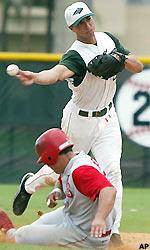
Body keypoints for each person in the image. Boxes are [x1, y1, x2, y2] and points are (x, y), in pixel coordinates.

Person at [12, 1, 143, 246]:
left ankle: (113, 232)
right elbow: (58, 73)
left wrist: (120, 56)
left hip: (108, 116)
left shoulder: (108, 40)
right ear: (72, 28)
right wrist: (36, 77)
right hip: (80, 120)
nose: (87, 25)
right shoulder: (75, 55)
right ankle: (29, 185)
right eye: (80, 23)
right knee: (60, 172)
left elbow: (138, 66)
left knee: (113, 170)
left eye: (88, 19)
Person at [1, 128, 117, 249]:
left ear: (51, 157)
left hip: (85, 232)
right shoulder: (73, 160)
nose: (49, 166)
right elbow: (62, 180)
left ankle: (8, 232)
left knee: (21, 236)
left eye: (47, 162)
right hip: (73, 216)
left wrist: (100, 218)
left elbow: (109, 191)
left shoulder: (80, 171)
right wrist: (57, 191)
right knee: (35, 226)